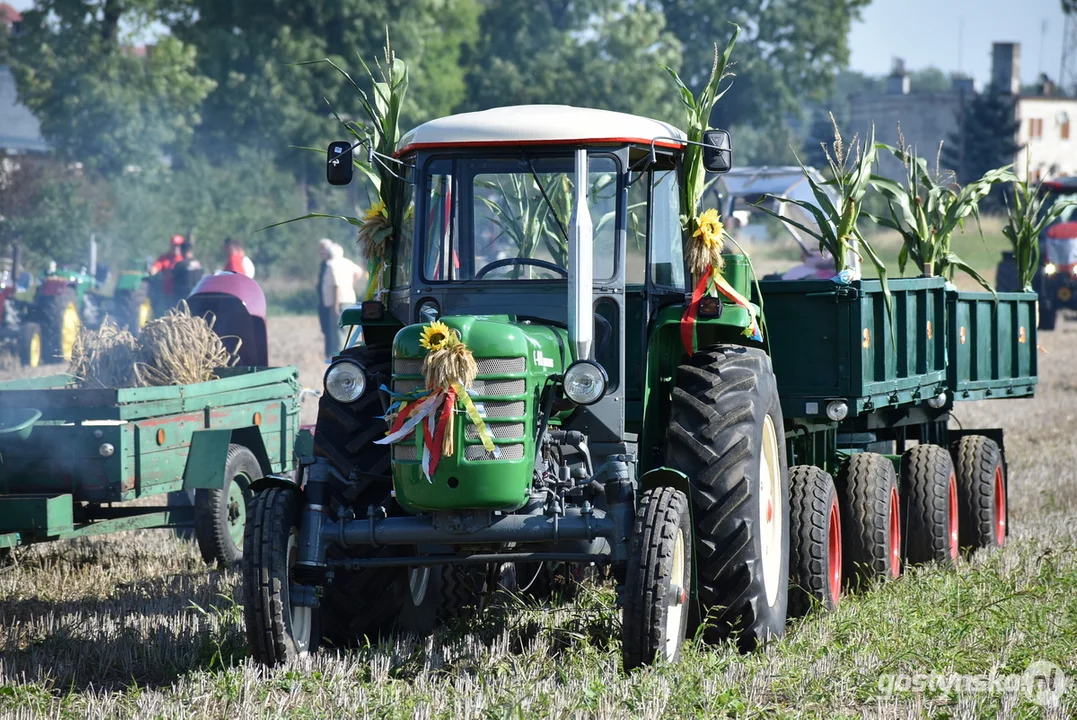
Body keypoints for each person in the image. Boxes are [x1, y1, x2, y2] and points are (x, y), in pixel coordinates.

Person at [320, 241, 367, 360]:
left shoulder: (331, 265)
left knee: (338, 332)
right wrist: (351, 283)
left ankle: (340, 357)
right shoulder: (347, 262)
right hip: (349, 300)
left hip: (339, 302)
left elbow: (337, 285)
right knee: (346, 331)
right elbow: (359, 272)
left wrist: (335, 304)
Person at [149, 234, 185, 307]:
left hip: (181, 293)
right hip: (168, 293)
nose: (176, 248)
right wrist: (152, 270)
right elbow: (155, 268)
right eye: (174, 245)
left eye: (179, 246)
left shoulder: (184, 259)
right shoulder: (164, 258)